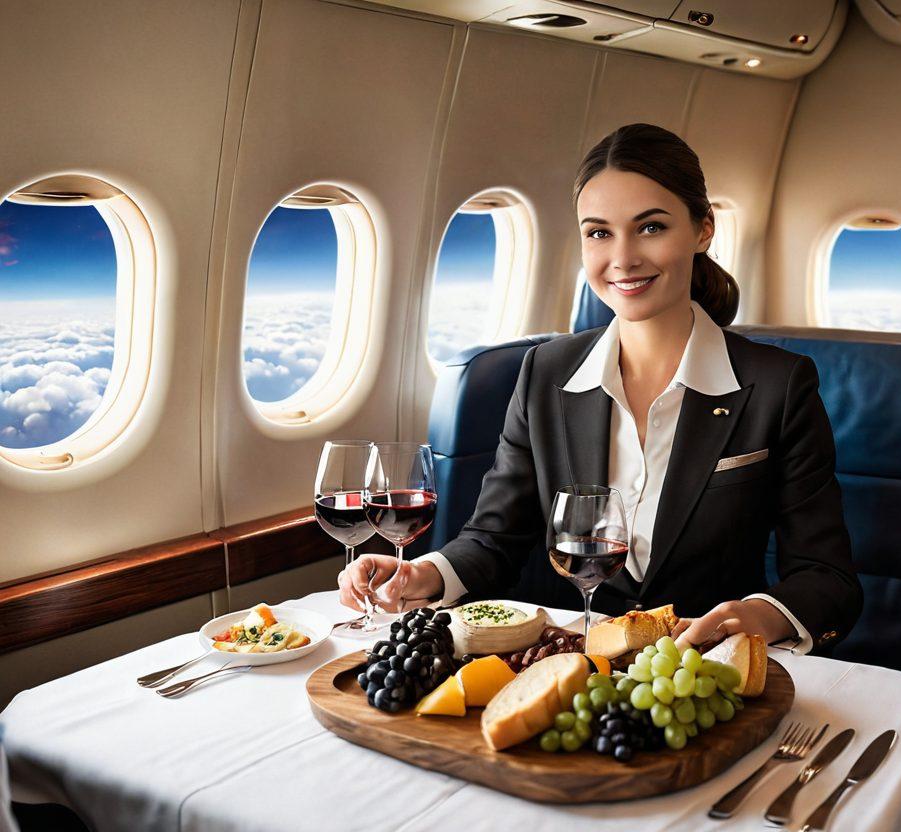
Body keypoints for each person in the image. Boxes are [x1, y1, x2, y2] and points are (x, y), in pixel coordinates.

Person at [339, 123, 861, 653]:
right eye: (599, 232)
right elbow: (494, 538)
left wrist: (758, 615)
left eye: (651, 227)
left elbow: (828, 580)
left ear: (703, 230)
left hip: (703, 674)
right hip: (567, 665)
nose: (623, 258)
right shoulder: (545, 372)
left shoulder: (777, 384)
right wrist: (423, 574)